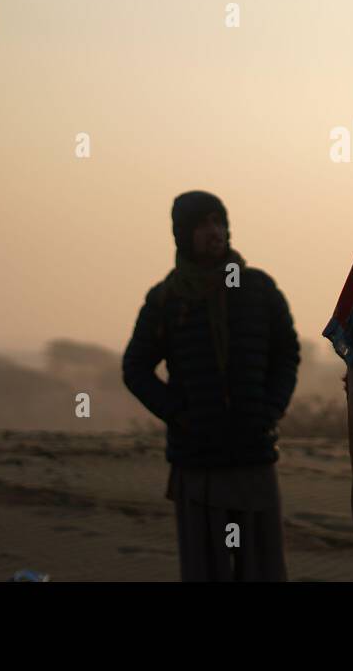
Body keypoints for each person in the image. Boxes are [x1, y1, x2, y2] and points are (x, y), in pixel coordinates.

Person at [122, 191, 300, 580]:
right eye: (202, 224)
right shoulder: (166, 299)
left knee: (263, 569)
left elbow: (287, 353)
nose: (213, 232)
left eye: (218, 221)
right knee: (206, 569)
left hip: (253, 453)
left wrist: (270, 409)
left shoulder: (258, 289)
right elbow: (134, 368)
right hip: (198, 461)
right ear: (183, 234)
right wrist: (181, 415)